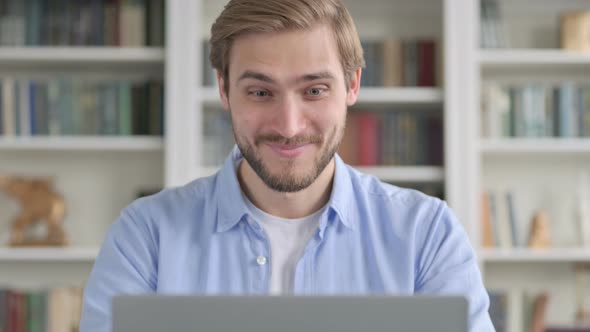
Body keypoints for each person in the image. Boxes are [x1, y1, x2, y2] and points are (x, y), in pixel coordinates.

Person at [80, 0, 494, 330]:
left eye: (314, 90)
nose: (289, 126)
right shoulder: (145, 238)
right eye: (260, 93)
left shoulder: (426, 236)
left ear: (352, 85)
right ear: (224, 89)